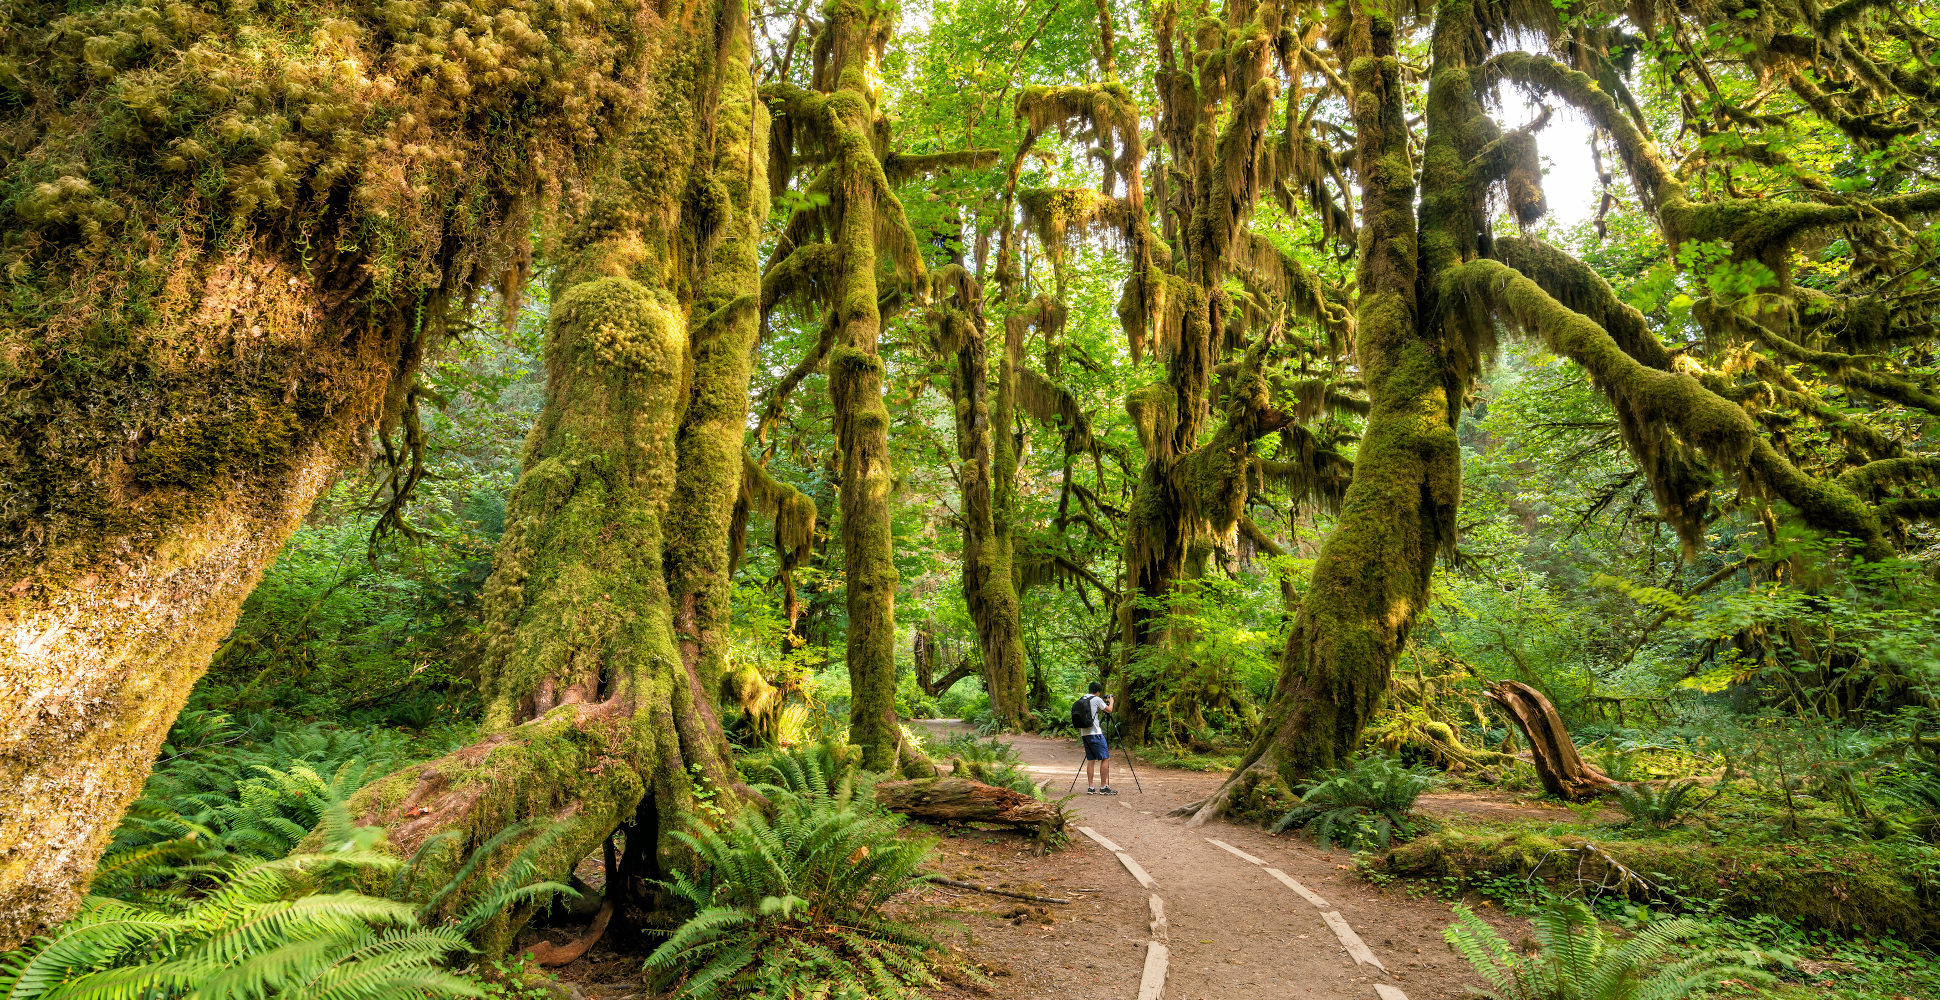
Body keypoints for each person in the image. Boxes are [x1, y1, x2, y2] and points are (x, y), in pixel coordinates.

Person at [1079, 682, 1116, 795]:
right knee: (1105, 758)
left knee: (1091, 760)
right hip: (1095, 733)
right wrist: (1111, 701)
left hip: (1084, 733)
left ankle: (1091, 787)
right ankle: (1104, 787)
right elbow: (1109, 710)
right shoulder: (1096, 699)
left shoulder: (1082, 698)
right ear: (1098, 691)